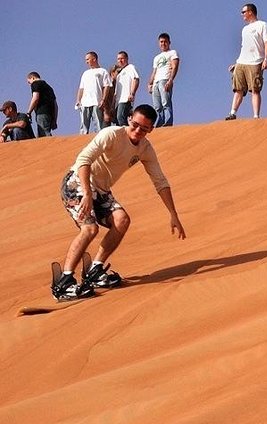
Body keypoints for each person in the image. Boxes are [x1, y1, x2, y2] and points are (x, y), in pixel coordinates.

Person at [52, 104, 186, 300]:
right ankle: (64, 281)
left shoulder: (145, 149)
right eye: (135, 124)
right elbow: (83, 160)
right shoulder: (111, 134)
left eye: (144, 128)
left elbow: (160, 181)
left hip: (101, 190)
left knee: (122, 220)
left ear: (151, 130)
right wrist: (87, 194)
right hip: (77, 182)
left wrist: (173, 214)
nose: (138, 131)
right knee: (89, 229)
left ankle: (95, 270)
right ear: (129, 118)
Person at [225, 3, 267, 120]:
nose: (242, 15)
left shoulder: (262, 25)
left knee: (255, 89)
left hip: (256, 62)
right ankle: (232, 113)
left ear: (250, 12)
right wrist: (236, 63)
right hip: (242, 62)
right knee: (238, 89)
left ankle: (256, 116)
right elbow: (244, 47)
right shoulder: (245, 29)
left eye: (243, 12)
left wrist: (266, 59)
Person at [76, 51, 113, 134]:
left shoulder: (103, 71)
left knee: (98, 124)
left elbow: (106, 86)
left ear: (94, 59)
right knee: (84, 124)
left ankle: (99, 140)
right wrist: (78, 100)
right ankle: (82, 139)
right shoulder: (85, 73)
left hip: (96, 101)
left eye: (88, 59)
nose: (86, 61)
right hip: (85, 102)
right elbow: (81, 88)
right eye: (86, 60)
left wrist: (103, 99)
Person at [148, 33, 179, 127]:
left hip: (165, 79)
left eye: (165, 41)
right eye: (161, 42)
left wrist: (170, 80)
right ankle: (160, 122)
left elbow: (175, 66)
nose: (163, 43)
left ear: (169, 42)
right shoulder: (156, 57)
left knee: (166, 102)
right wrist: (150, 83)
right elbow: (154, 71)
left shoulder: (172, 52)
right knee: (157, 105)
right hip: (156, 82)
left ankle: (168, 121)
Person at [26, 72, 58, 137]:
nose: (29, 84)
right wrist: (54, 119)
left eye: (29, 82)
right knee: (43, 134)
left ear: (33, 78)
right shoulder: (49, 87)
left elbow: (35, 98)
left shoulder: (35, 84)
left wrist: (29, 112)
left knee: (44, 135)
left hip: (42, 113)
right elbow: (55, 105)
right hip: (50, 114)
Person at [114, 51, 140, 126]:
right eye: (118, 59)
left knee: (121, 117)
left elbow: (135, 79)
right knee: (117, 120)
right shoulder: (119, 73)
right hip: (118, 101)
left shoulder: (130, 67)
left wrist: (132, 93)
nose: (120, 60)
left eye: (122, 58)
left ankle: (126, 135)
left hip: (126, 99)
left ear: (127, 59)